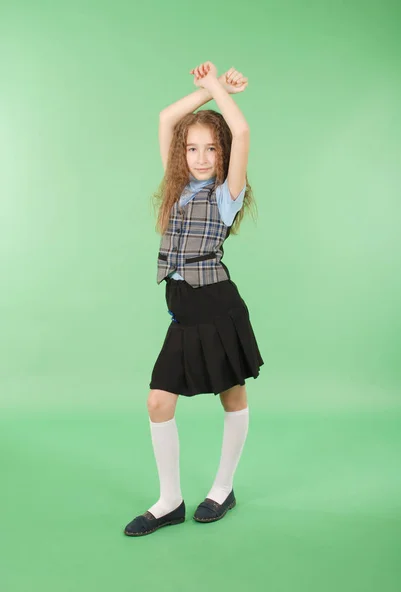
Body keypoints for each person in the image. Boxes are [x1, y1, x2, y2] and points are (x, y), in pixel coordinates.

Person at [124, 62, 264, 537]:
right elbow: (167, 118)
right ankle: (170, 500)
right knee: (159, 401)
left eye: (211, 149)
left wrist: (220, 97)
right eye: (193, 148)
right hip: (183, 314)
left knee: (233, 394)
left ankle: (222, 489)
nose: (201, 157)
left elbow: (240, 128)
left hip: (219, 310)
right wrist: (213, 86)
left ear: (223, 154)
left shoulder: (227, 195)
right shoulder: (178, 186)